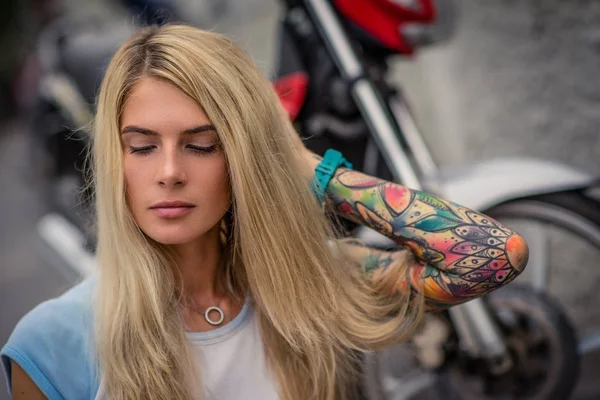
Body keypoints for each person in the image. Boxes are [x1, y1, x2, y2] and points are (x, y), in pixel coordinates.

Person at [1, 24, 528, 400]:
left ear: (244, 157)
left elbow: (494, 255)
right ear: (115, 161)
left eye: (201, 145)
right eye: (141, 147)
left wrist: (303, 164)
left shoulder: (308, 281)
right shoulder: (52, 342)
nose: (168, 172)